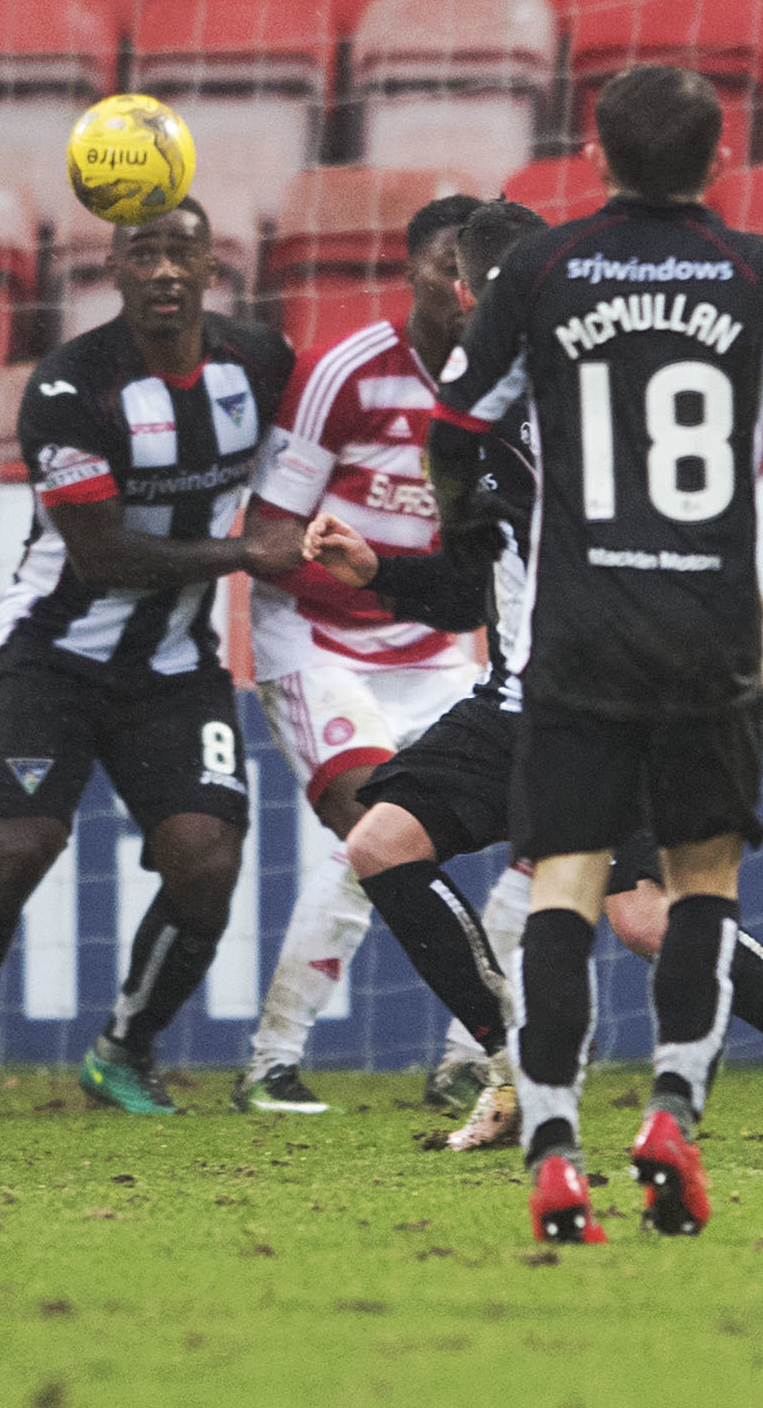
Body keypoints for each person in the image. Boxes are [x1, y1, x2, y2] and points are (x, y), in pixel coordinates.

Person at [314, 197, 763, 1157]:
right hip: (515, 703)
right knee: (379, 844)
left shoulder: (599, 388)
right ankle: (510, 1065)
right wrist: (378, 572)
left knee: (648, 922)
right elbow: (468, 584)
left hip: (617, 697)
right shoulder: (478, 410)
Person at [431, 64, 763, 1243]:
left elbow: (454, 425)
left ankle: (554, 1146)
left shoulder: (538, 268)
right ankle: (671, 1109)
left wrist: (459, 514)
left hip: (578, 630)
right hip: (709, 631)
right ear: (718, 161)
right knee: (697, 882)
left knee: (565, 880)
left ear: (596, 155)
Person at [0, 200, 297, 1117]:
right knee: (17, 849)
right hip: (52, 657)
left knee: (206, 859)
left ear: (213, 268)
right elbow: (102, 555)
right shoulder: (66, 388)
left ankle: (124, 1049)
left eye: (181, 252)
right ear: (112, 273)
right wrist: (244, 553)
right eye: (143, 254)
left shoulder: (261, 364)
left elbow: (333, 442)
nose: (163, 270)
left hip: (172, 665)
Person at [231, 192, 493, 1115]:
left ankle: (473, 1057)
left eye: (476, 269)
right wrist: (338, 559)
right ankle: (272, 1060)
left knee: (557, 836)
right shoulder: (345, 371)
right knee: (372, 827)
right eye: (444, 268)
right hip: (318, 638)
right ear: (411, 273)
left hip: (432, 645)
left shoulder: (506, 384)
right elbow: (268, 530)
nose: (462, 287)